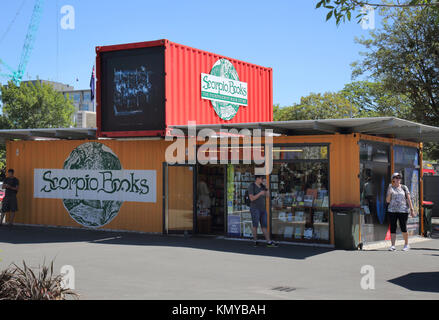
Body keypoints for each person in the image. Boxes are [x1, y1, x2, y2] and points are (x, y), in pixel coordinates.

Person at [386, 172, 415, 251]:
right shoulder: (390, 187)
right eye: (396, 178)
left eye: (399, 178)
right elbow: (388, 201)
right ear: (393, 179)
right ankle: (393, 245)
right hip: (392, 210)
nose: (398, 179)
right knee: (393, 227)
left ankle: (406, 244)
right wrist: (390, 192)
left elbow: (408, 199)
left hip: (403, 210)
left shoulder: (404, 187)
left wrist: (412, 210)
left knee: (403, 227)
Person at [248, 175, 278, 247]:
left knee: (264, 226)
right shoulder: (252, 186)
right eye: (262, 179)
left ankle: (269, 242)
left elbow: (268, 196)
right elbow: (251, 199)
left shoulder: (262, 186)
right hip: (255, 208)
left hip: (263, 209)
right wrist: (260, 193)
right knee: (255, 225)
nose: (263, 180)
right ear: (257, 179)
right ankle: (255, 241)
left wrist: (266, 188)